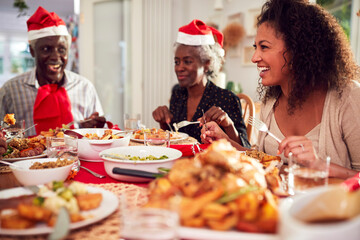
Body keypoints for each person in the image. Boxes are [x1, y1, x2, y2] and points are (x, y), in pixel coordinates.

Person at [201, 0, 360, 179]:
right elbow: (265, 163)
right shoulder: (271, 101)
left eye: (264, 47)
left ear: (297, 49)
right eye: (255, 47)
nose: (254, 57)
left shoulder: (348, 97)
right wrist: (228, 143)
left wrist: (320, 166)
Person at [0, 6, 105, 137]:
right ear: (32, 51)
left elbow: (101, 135)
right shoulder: (10, 91)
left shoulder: (85, 87)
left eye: (61, 49)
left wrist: (93, 128)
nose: (55, 57)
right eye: (46, 49)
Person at [152, 19, 250, 147]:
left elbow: (245, 150)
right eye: (177, 62)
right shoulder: (177, 93)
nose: (179, 68)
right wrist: (163, 122)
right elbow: (174, 139)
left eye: (187, 61)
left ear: (206, 63)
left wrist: (228, 124)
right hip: (182, 163)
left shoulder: (227, 99)